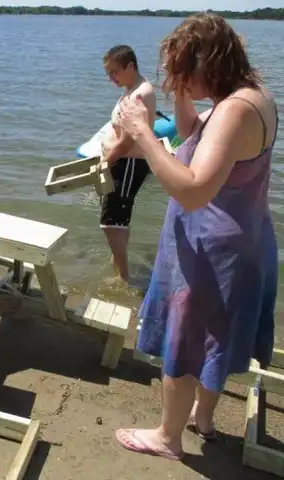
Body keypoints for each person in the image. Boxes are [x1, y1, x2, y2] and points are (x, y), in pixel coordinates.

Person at [114, 13, 278, 460]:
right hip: (245, 241)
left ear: (208, 63)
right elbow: (197, 135)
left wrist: (143, 133)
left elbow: (192, 190)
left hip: (212, 253)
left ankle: (168, 437)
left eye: (184, 70)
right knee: (215, 341)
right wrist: (183, 94)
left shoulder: (234, 110)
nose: (177, 79)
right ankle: (202, 419)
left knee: (186, 342)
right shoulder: (253, 95)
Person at [100, 45, 157, 282]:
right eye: (108, 73)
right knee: (118, 222)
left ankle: (123, 280)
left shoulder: (139, 95)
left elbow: (127, 141)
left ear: (130, 66)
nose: (111, 78)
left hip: (128, 163)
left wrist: (104, 162)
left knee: (111, 224)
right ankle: (118, 270)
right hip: (122, 162)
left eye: (114, 72)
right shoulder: (131, 89)